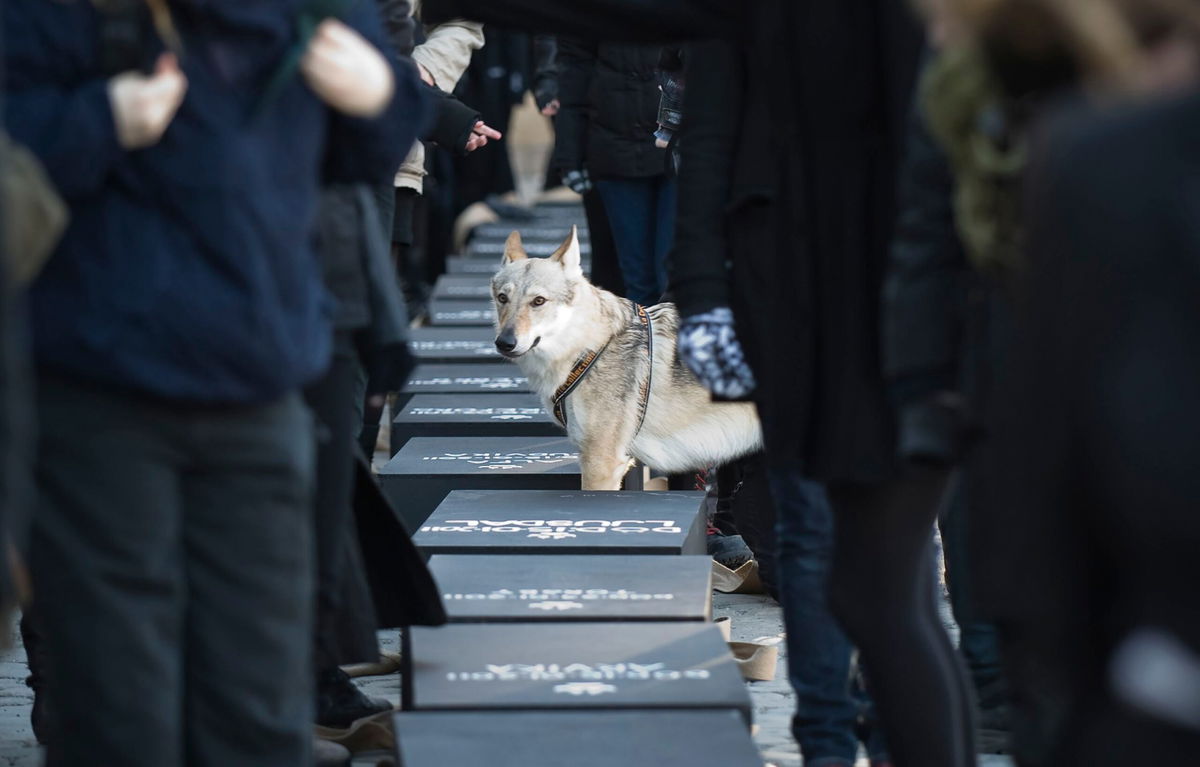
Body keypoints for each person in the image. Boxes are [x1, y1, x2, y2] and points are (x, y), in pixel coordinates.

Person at [422, 3, 970, 766]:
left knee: (892, 585)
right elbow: (701, 139)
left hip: (901, 304)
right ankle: (824, 746)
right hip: (792, 304)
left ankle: (887, 740)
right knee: (828, 557)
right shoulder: (746, 29)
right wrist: (704, 297)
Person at [4, 1, 423, 765]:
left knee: (258, 701)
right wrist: (102, 120)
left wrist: (380, 99)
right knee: (118, 703)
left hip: (260, 392)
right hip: (98, 394)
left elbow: (365, 153)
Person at [555, 37, 675, 305]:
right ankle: (647, 346)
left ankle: (672, 346)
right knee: (636, 277)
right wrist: (569, 154)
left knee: (670, 273)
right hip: (615, 150)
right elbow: (573, 74)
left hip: (680, 146)